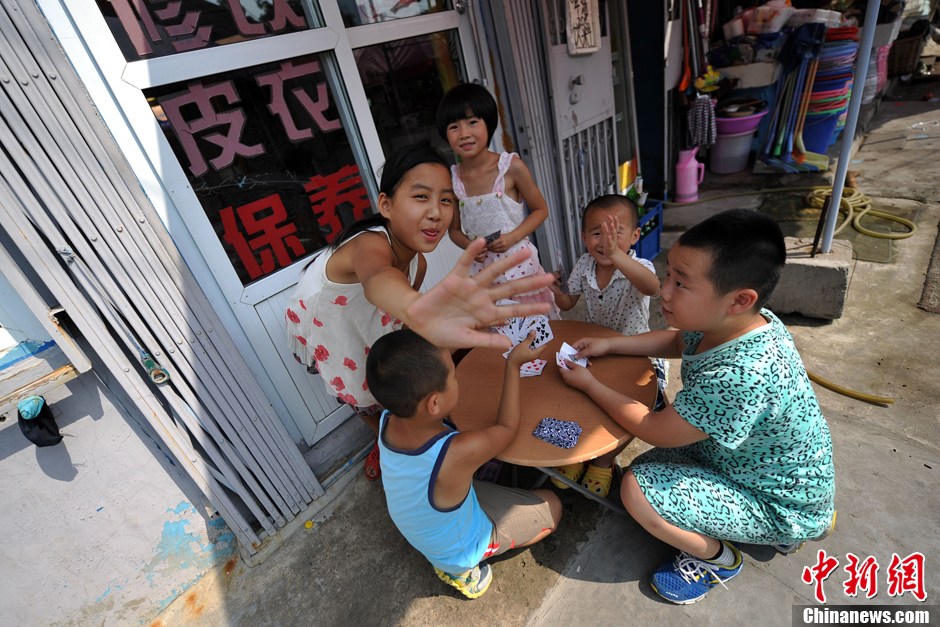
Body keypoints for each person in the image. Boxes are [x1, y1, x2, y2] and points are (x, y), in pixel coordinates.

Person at [558, 209, 835, 605]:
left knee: (637, 491)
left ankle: (718, 559)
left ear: (740, 300)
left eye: (681, 283)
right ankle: (809, 513)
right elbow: (677, 342)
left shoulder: (741, 376)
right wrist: (610, 344)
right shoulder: (740, 322)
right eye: (669, 274)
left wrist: (589, 383)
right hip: (760, 464)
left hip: (776, 499)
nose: (664, 292)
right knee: (648, 468)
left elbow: (653, 428)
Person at [286, 141, 554, 480]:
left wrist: (428, 321)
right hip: (331, 328)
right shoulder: (368, 244)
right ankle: (382, 441)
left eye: (445, 200)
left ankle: (398, 428)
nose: (436, 212)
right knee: (361, 396)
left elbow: (400, 314)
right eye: (420, 197)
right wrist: (419, 310)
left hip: (372, 319)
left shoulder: (419, 263)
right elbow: (379, 279)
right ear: (386, 204)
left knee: (391, 374)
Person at [367, 328, 562, 599]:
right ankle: (461, 572)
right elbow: (506, 428)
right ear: (434, 403)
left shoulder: (389, 415)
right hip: (457, 547)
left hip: (424, 524)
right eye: (454, 376)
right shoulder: (455, 452)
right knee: (552, 507)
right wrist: (513, 364)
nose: (457, 379)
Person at [547, 194, 664, 498]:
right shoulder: (585, 263)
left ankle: (604, 460)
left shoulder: (638, 265)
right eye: (596, 233)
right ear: (584, 237)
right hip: (594, 347)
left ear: (635, 236)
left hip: (637, 353)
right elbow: (568, 300)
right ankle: (581, 452)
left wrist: (617, 256)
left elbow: (652, 287)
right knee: (579, 397)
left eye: (615, 233)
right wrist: (553, 289)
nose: (605, 242)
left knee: (634, 409)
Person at [436, 83, 560, 319]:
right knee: (502, 333)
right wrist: (469, 247)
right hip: (483, 274)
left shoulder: (510, 167)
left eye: (472, 122)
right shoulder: (452, 180)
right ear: (445, 134)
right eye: (454, 127)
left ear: (489, 123)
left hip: (521, 270)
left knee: (538, 329)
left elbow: (541, 210)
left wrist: (512, 237)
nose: (464, 133)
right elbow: (454, 230)